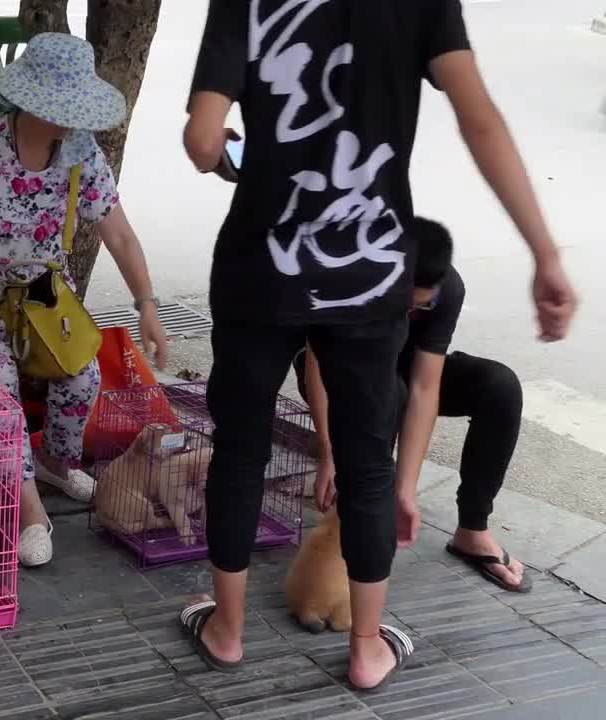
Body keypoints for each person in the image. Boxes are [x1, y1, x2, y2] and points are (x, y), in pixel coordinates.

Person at [181, 0, 576, 691]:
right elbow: (479, 118)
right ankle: (367, 650)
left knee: (240, 451)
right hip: (366, 272)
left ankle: (227, 631)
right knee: (368, 467)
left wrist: (240, 157)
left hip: (258, 267)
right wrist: (544, 252)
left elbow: (203, 141)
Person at [0, 33, 168, 568]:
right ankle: (29, 510)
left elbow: (120, 235)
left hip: (44, 294)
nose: (67, 120)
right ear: (29, 102)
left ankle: (57, 460)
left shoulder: (83, 154)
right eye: (59, 109)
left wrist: (146, 301)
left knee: (82, 375)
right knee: (1, 390)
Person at [298, 217, 529, 593]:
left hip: (405, 372)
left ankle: (472, 529)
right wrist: (328, 452)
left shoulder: (445, 287)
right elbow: (318, 367)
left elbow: (426, 385)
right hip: (340, 371)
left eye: (422, 305)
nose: (413, 312)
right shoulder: (347, 276)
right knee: (389, 393)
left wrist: (407, 489)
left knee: (499, 386)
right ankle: (349, 538)